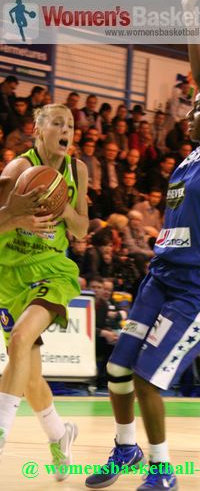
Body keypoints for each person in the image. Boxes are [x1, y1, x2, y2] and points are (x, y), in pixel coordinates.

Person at [85, 0, 200, 489]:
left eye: (199, 107)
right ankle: (125, 449)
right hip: (162, 276)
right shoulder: (189, 159)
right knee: (118, 371)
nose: (189, 112)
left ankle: (162, 472)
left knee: (146, 379)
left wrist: (190, 16)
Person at [0, 104, 89, 479]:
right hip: (9, 274)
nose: (66, 129)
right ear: (38, 130)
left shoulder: (77, 169)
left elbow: (82, 229)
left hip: (52, 270)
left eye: (69, 124)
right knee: (31, 377)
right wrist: (17, 216)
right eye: (57, 123)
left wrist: (65, 209)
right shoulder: (18, 169)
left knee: (20, 339)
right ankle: (59, 433)